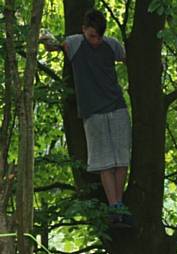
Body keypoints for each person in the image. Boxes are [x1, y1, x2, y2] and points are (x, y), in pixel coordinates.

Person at [40, 9, 132, 226]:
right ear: (83, 30)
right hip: (93, 113)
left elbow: (131, 59)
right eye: (92, 35)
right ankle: (114, 207)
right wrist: (45, 39)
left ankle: (120, 205)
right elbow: (54, 45)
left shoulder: (111, 45)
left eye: (99, 36)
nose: (96, 40)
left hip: (117, 107)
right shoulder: (75, 44)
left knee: (121, 160)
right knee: (104, 163)